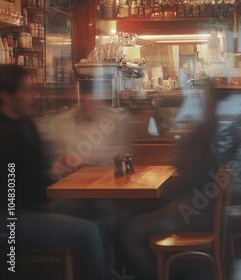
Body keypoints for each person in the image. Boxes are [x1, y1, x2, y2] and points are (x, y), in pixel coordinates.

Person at [0, 65, 108, 279]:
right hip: (12, 218)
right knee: (90, 232)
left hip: (32, 207)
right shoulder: (6, 135)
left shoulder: (25, 124)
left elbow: (37, 169)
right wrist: (51, 176)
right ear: (5, 96)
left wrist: (56, 167)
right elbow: (13, 191)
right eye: (25, 90)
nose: (33, 95)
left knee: (103, 220)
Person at [121, 81, 223, 279]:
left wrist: (166, 189)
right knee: (132, 211)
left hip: (193, 213)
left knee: (130, 231)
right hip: (207, 211)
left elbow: (185, 175)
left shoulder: (203, 133)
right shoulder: (217, 131)